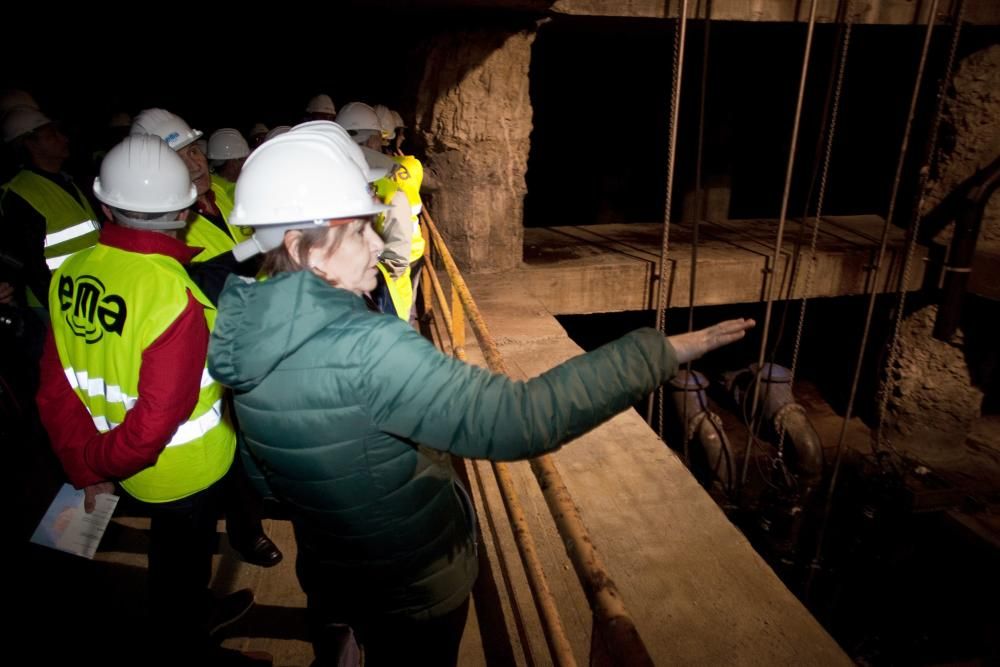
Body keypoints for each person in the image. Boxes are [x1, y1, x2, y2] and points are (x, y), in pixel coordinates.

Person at [207, 131, 755, 666]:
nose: (378, 243)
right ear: (307, 251)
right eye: (357, 232)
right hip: (414, 585)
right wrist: (657, 353)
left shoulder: (243, 340)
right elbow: (519, 420)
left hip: (334, 569)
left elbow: (262, 479)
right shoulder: (369, 348)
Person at [35, 134, 269, 665]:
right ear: (186, 209)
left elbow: (55, 386)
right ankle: (187, 643)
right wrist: (98, 464)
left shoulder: (72, 272)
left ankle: (188, 618)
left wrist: (83, 462)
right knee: (180, 569)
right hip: (182, 469)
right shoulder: (175, 296)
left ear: (104, 204)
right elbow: (155, 423)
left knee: (173, 558)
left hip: (114, 456)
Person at [130, 108, 282, 567]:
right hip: (211, 354)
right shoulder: (161, 226)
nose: (195, 162)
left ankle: (250, 520)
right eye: (179, 156)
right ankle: (245, 529)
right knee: (226, 443)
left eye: (195, 149)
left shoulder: (225, 193)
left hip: (256, 333)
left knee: (248, 441)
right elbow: (194, 284)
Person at [207, 128, 250, 203]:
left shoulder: (209, 187)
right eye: (243, 160)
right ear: (232, 163)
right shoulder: (233, 193)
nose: (246, 164)